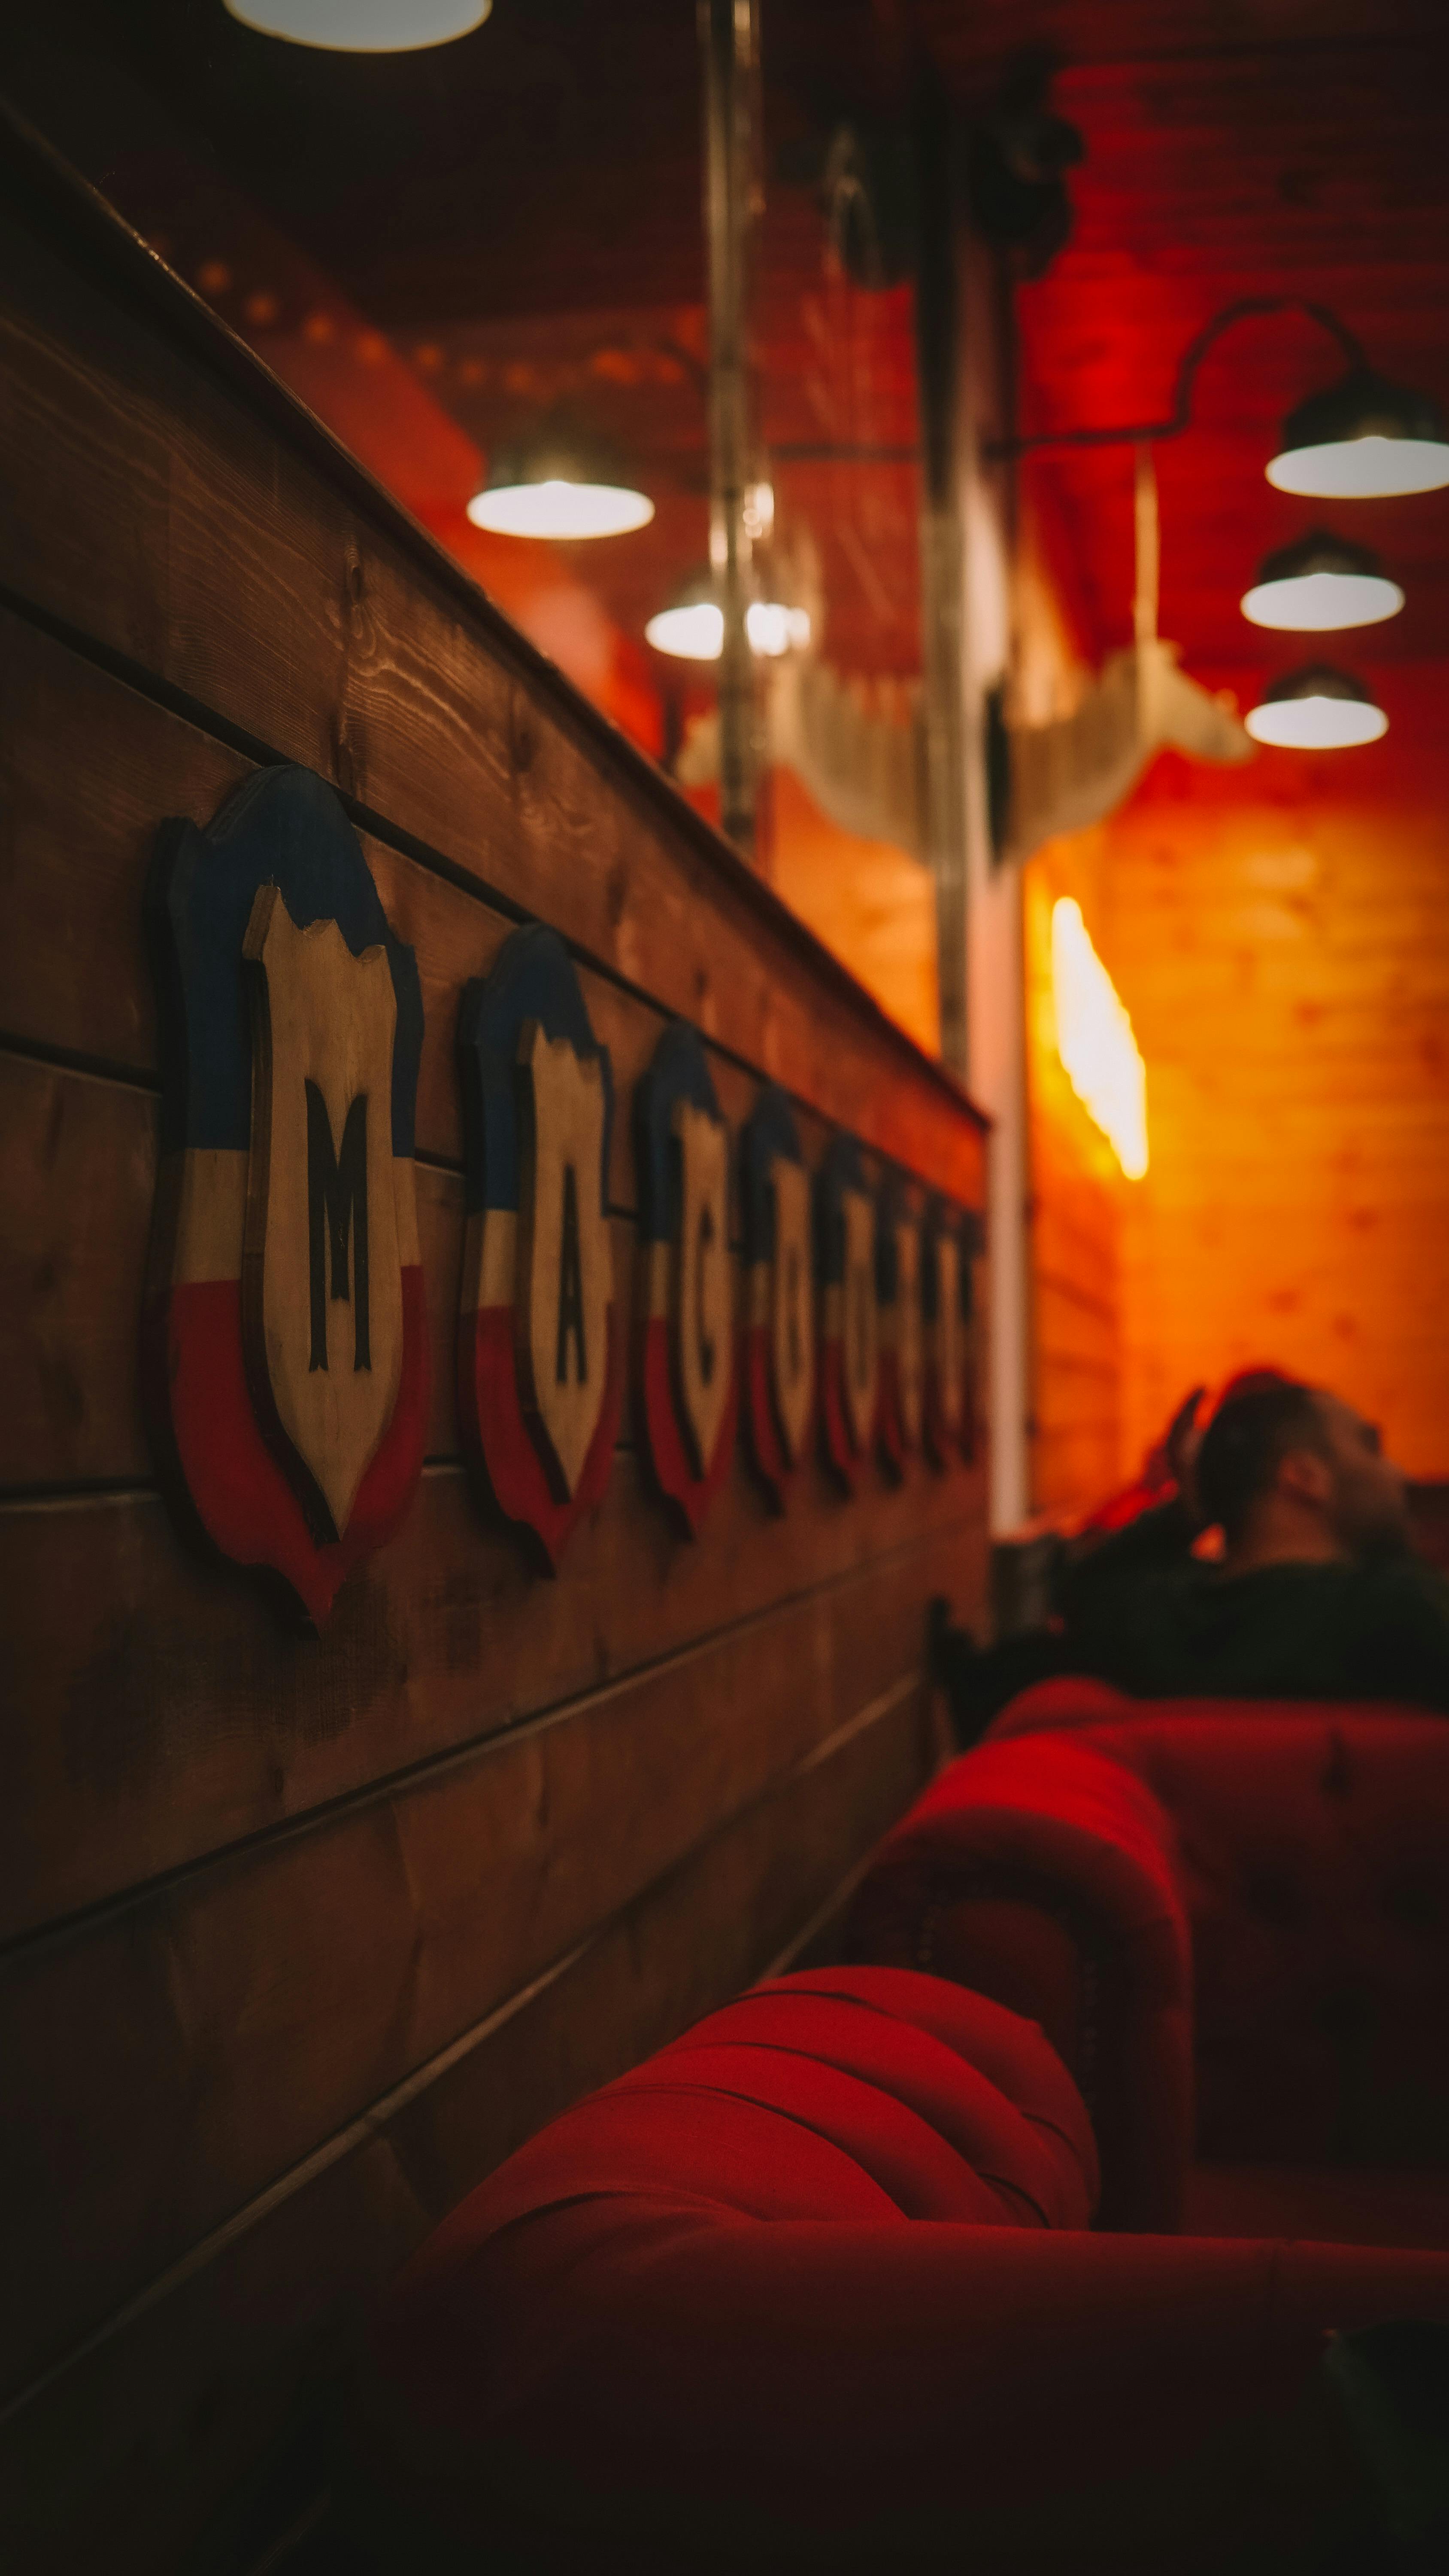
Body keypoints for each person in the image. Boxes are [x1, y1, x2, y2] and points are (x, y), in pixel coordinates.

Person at [1058, 1374, 1449, 1711]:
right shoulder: (1403, 1612)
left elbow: (1087, 1586)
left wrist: (1192, 1507)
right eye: (1372, 1446)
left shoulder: (1159, 1626)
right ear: (1303, 1477)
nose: (1398, 1472)